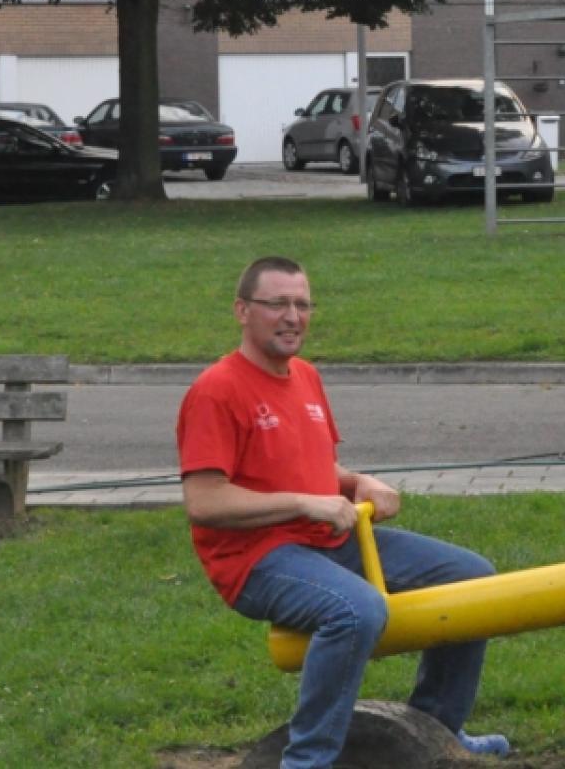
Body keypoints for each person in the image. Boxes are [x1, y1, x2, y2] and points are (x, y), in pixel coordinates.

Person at [177, 256, 512, 769]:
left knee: (472, 580)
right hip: (258, 559)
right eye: (277, 304)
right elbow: (204, 501)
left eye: (302, 304)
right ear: (242, 311)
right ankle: (307, 760)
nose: (293, 316)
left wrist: (358, 482)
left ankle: (437, 730)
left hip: (329, 541)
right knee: (355, 610)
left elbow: (314, 466)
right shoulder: (216, 391)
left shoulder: (305, 376)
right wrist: (303, 503)